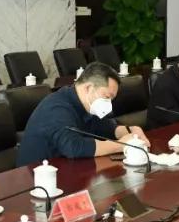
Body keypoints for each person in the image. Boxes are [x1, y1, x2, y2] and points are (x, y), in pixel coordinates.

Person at [16, 62, 148, 166]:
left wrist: (130, 131)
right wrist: (123, 145)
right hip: (36, 178)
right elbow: (74, 147)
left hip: (68, 169)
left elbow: (106, 128)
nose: (108, 104)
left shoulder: (88, 104)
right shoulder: (57, 108)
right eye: (107, 97)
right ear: (88, 88)